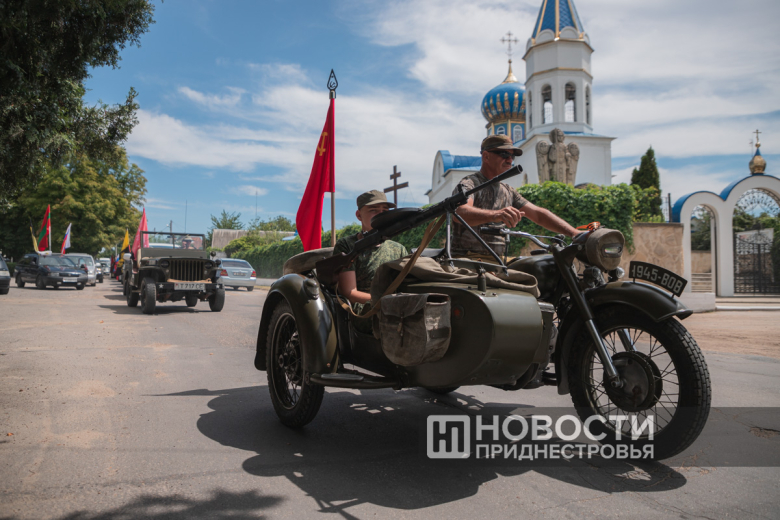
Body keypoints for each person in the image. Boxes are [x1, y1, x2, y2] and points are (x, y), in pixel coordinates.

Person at [451, 134, 579, 262]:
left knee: (543, 267)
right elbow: (459, 212)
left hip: (497, 261)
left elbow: (538, 214)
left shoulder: (508, 191)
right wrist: (496, 215)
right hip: (467, 260)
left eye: (512, 156)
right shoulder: (470, 184)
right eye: (504, 154)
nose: (510, 160)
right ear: (486, 156)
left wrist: (574, 233)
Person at [333, 190, 408, 330]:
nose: (380, 215)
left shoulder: (398, 249)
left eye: (384, 211)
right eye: (373, 210)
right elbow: (350, 293)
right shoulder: (347, 245)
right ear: (359, 215)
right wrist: (386, 303)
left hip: (396, 309)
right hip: (363, 312)